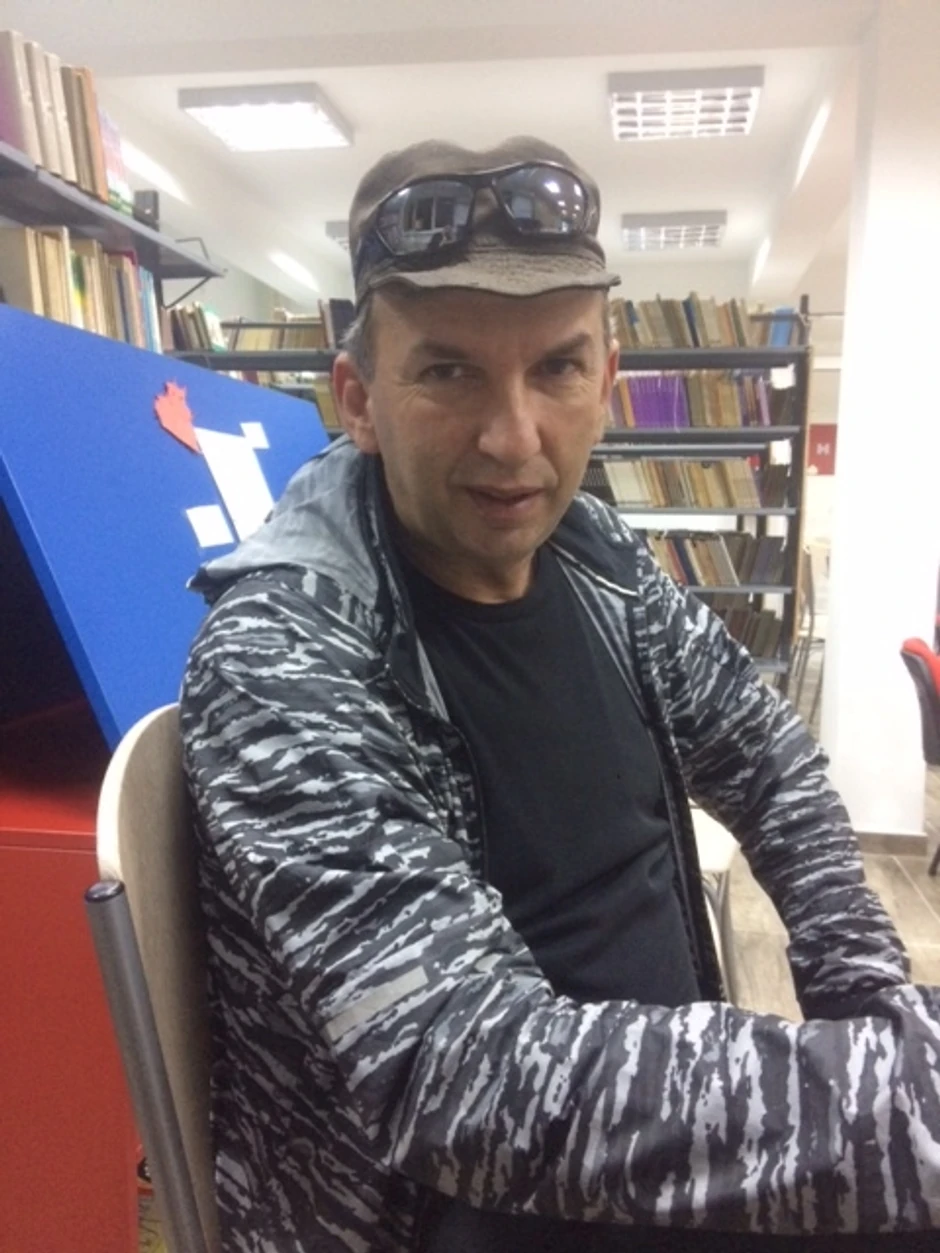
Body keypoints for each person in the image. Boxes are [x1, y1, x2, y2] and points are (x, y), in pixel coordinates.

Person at [179, 136, 940, 1253]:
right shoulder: (283, 653)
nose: (514, 437)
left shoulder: (599, 557)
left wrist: (870, 1001)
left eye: (556, 369)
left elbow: (769, 762)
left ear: (607, 380)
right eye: (449, 372)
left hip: (657, 1133)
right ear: (359, 397)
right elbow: (459, 1073)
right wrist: (889, 1106)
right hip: (455, 1202)